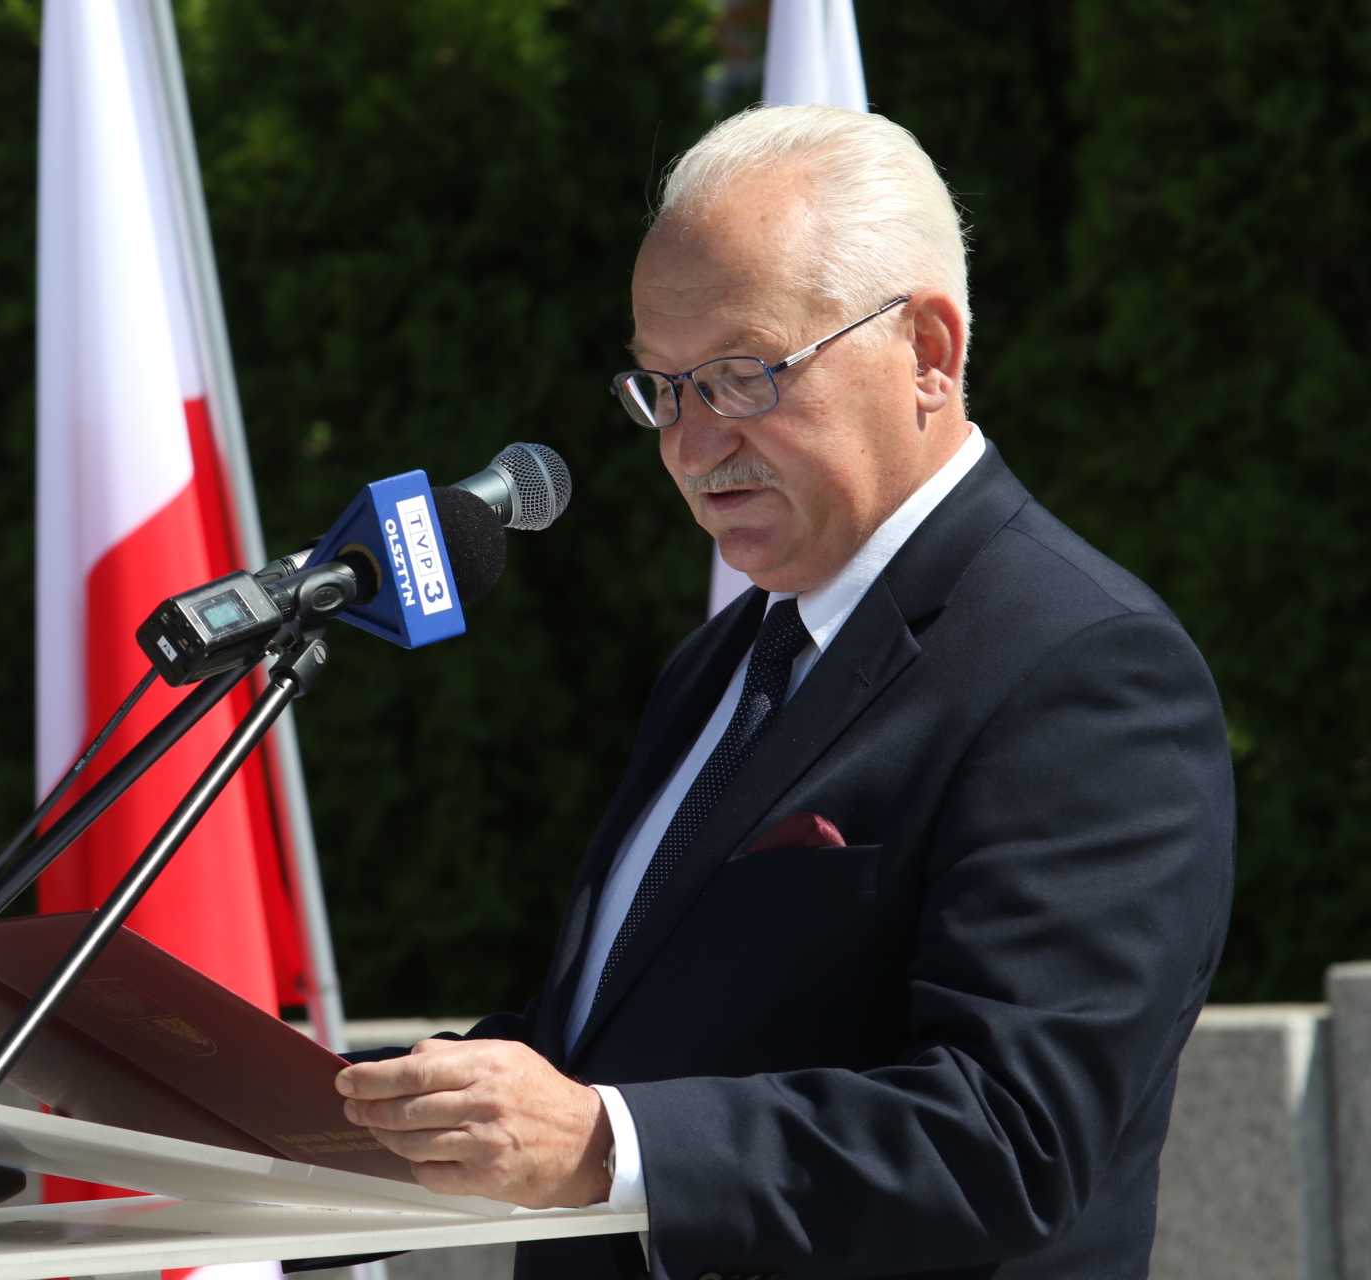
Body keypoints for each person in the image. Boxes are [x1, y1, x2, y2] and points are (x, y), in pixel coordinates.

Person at [334, 105, 1234, 1280]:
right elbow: (628, 1040)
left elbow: (1012, 1136)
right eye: (663, 389)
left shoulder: (1083, 667)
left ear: (929, 351)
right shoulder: (724, 661)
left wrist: (608, 1145)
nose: (691, 444)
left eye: (741, 375)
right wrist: (326, 1117)